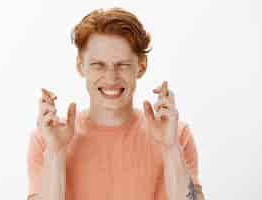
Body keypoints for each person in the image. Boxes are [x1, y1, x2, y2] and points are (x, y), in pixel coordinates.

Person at [27, 7, 205, 200]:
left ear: (141, 66)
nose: (111, 78)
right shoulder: (47, 139)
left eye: (122, 65)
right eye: (98, 65)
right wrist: (55, 153)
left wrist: (170, 148)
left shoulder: (176, 135)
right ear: (80, 66)